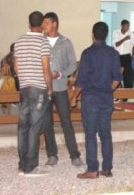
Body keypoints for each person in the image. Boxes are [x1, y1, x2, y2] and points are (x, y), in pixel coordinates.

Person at [72, 21, 121, 179]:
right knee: (106, 134)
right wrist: (107, 90)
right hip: (106, 99)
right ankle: (107, 168)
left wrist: (74, 97)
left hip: (90, 100)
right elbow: (117, 79)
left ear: (93, 35)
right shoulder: (113, 53)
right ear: (106, 35)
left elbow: (81, 81)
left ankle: (92, 169)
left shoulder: (87, 54)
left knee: (90, 135)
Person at [42, 12, 83, 167]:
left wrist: (60, 74)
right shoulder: (40, 41)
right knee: (47, 123)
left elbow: (72, 65)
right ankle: (52, 155)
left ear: (54, 24)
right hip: (44, 88)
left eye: (46, 23)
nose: (44, 26)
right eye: (43, 23)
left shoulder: (65, 42)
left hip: (60, 88)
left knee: (66, 121)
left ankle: (75, 155)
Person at [14, 11, 53, 177]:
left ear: (29, 24)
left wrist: (24, 79)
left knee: (23, 126)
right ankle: (31, 166)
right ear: (42, 24)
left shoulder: (19, 41)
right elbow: (46, 67)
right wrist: (49, 87)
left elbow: (16, 67)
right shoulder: (43, 42)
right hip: (38, 88)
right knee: (34, 127)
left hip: (24, 88)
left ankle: (22, 164)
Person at [112, 20, 134, 91]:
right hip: (117, 56)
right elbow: (116, 44)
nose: (128, 27)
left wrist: (132, 55)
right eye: (126, 26)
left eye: (129, 26)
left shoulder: (131, 34)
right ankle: (117, 91)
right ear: (122, 25)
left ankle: (127, 93)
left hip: (127, 56)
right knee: (117, 74)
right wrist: (125, 39)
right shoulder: (116, 32)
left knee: (128, 76)